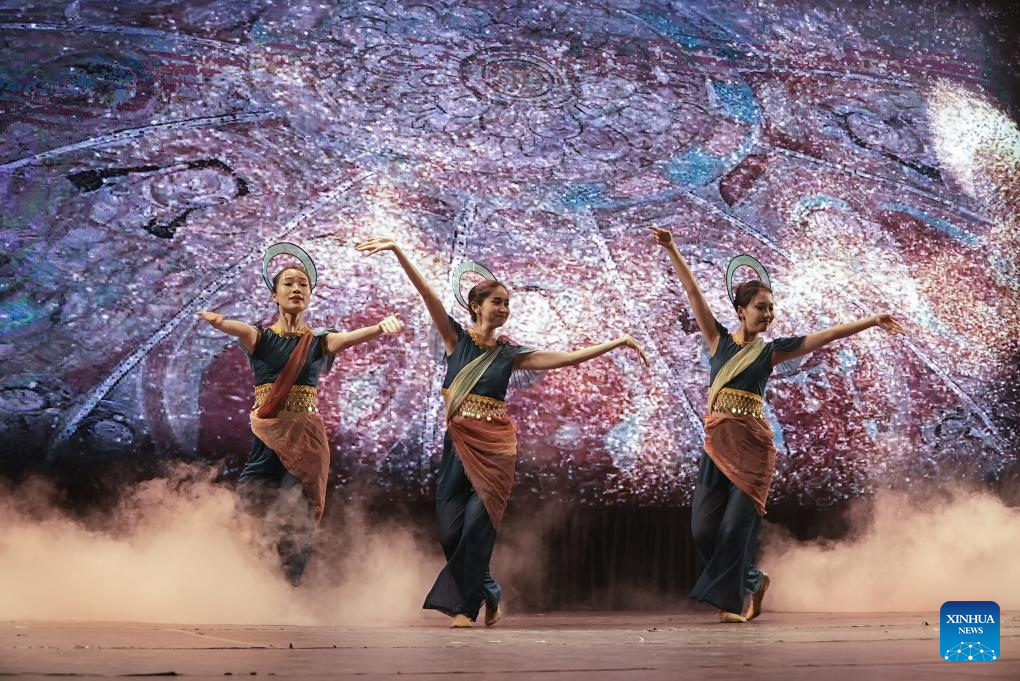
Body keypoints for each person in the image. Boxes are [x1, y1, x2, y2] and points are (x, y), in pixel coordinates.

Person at [355, 237, 649, 627]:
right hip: (458, 445)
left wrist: (617, 342)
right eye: (497, 302)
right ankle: (491, 591)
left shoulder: (510, 354)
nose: (504, 309)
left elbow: (566, 359)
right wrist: (397, 250)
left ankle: (465, 608)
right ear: (476, 306)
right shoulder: (455, 340)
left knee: (477, 526)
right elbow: (428, 295)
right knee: (450, 533)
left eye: (507, 303)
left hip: (496, 451)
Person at [650, 227, 904, 622]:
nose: (769, 314)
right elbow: (694, 293)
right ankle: (753, 581)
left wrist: (871, 320)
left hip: (753, 451)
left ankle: (735, 601)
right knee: (702, 531)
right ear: (741, 310)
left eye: (771, 308)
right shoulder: (718, 341)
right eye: (761, 307)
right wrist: (671, 248)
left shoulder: (771, 351)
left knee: (733, 531)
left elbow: (827, 336)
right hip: (717, 448)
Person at [197, 242, 403, 584]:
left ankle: (288, 583)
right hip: (268, 440)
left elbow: (348, 339)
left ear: (309, 295)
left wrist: (380, 328)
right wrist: (221, 322)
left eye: (303, 284)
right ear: (275, 295)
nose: (296, 288)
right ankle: (248, 581)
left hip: (306, 440)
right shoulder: (261, 338)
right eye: (289, 283)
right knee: (248, 506)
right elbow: (241, 329)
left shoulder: (318, 341)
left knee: (296, 512)